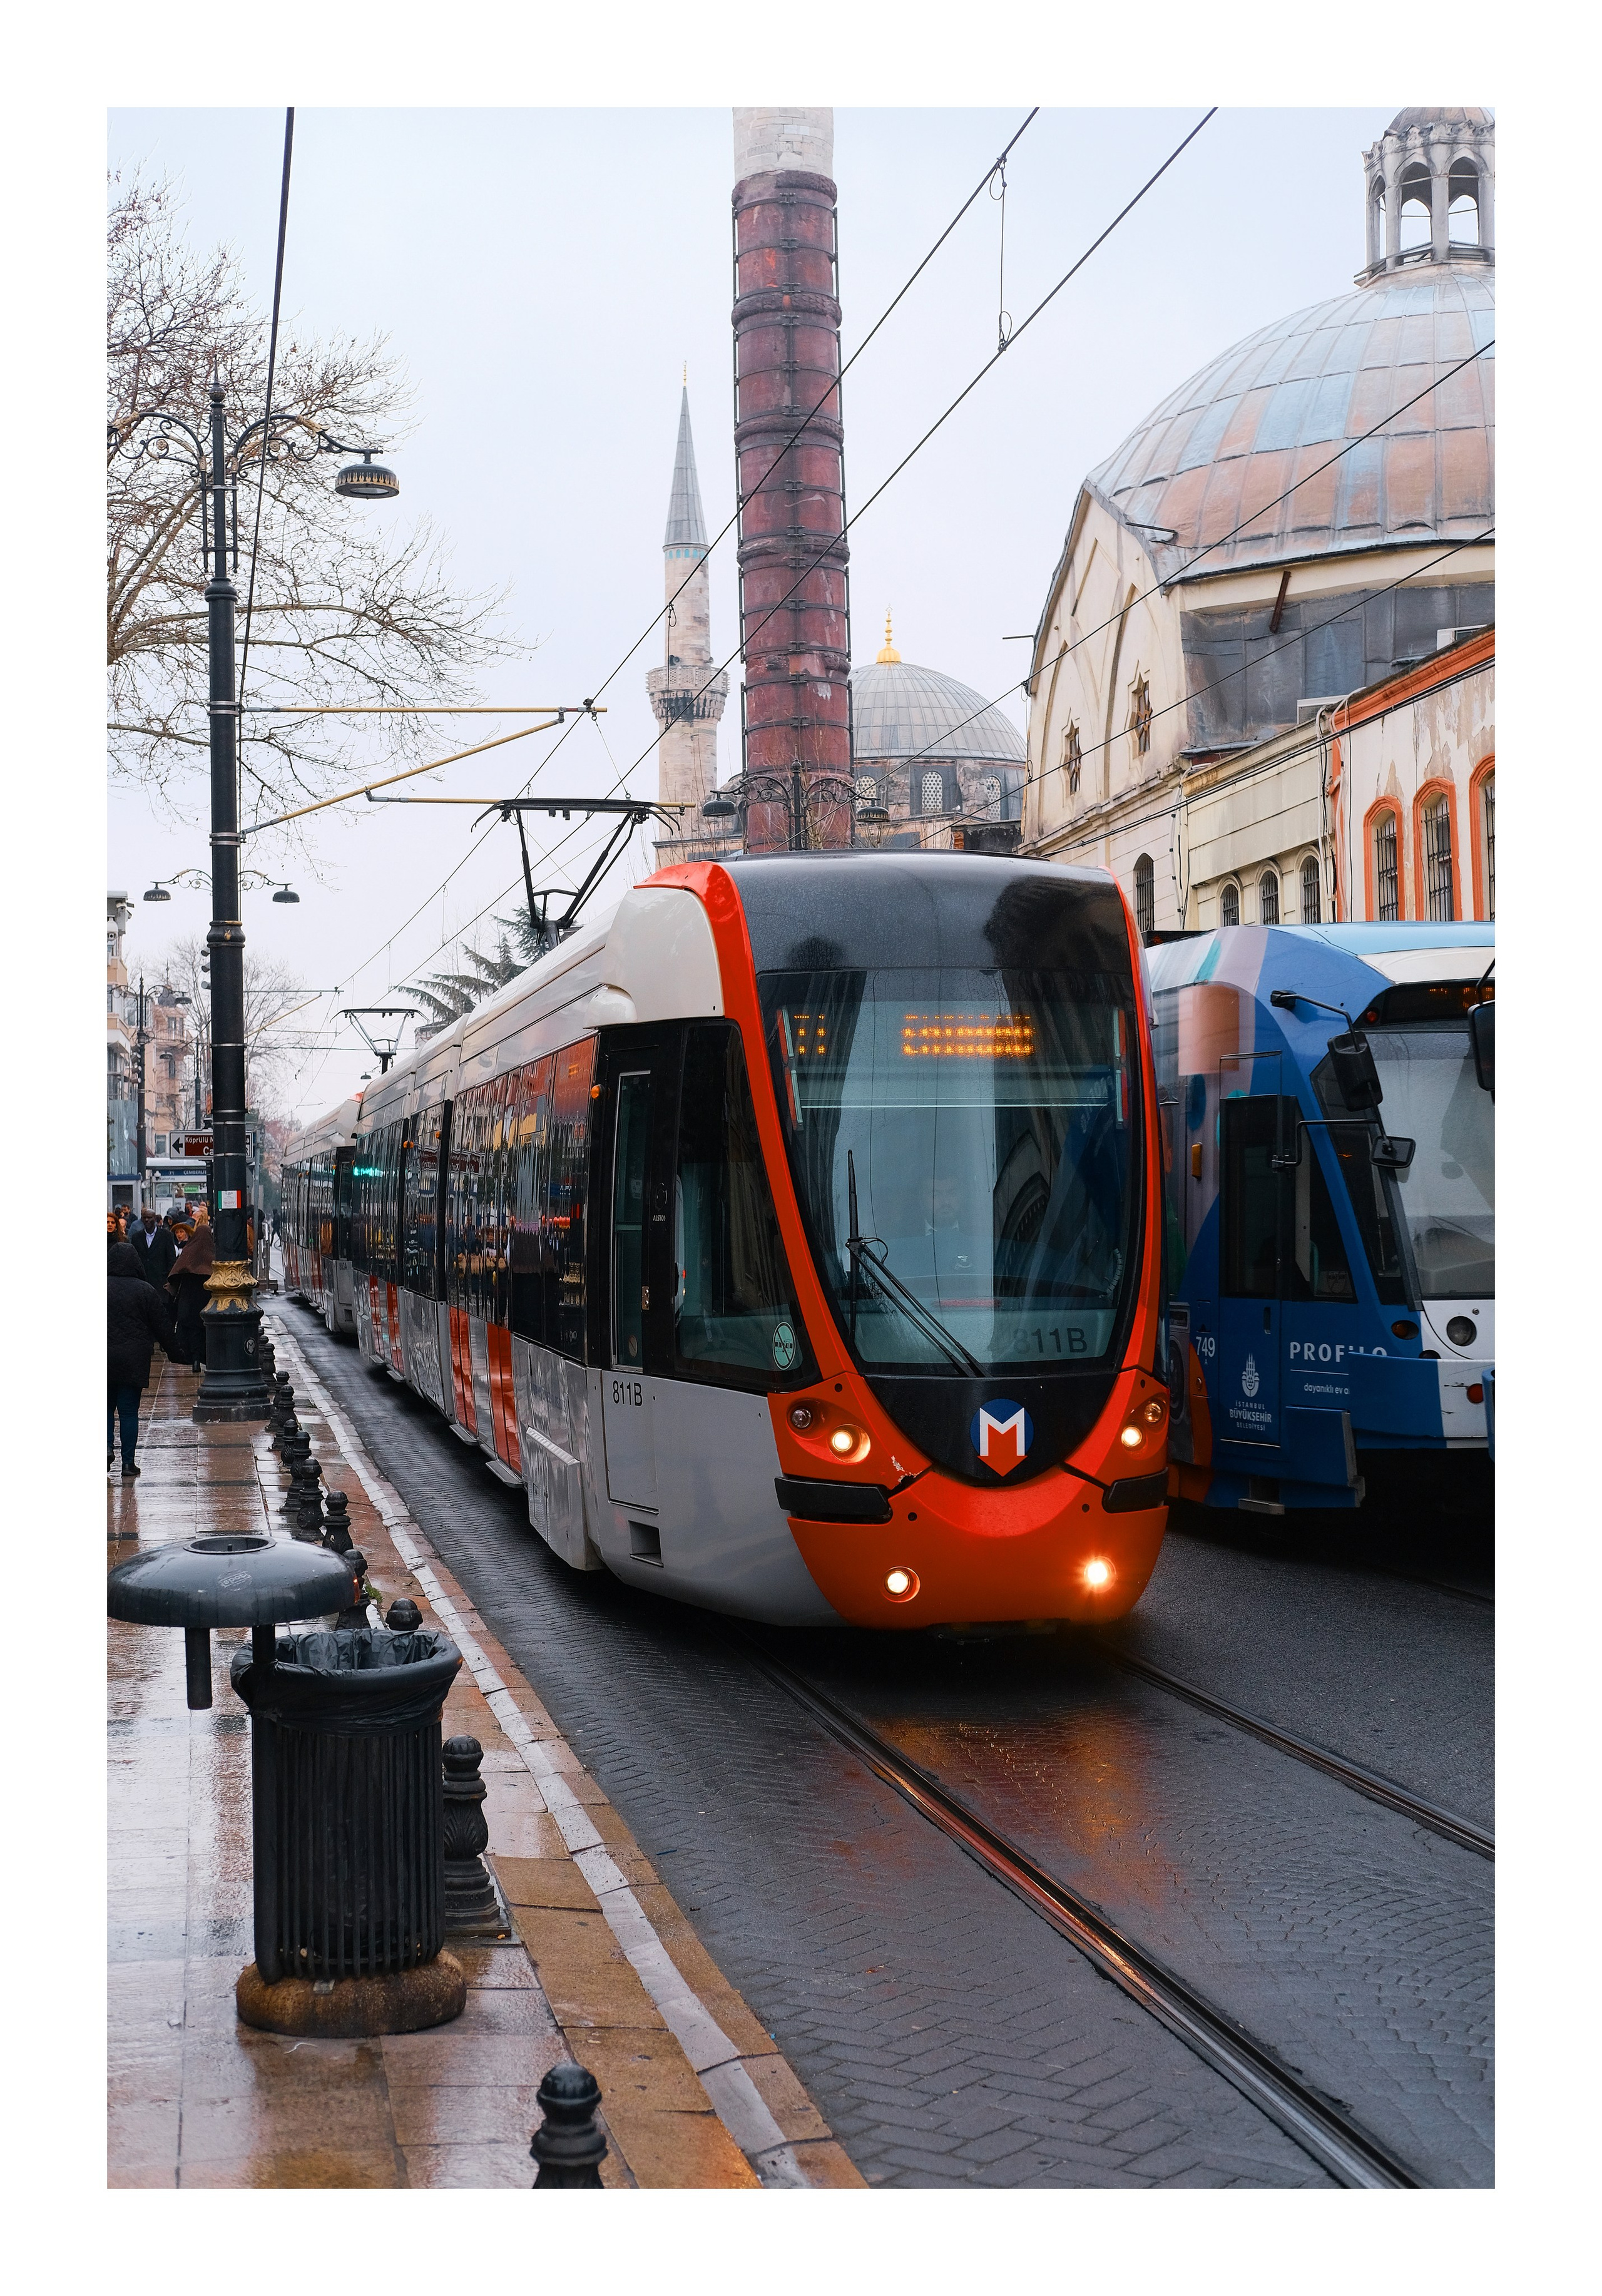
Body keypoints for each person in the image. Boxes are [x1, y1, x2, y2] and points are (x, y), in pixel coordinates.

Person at [108, 1240, 180, 1477]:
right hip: (133, 1360)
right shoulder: (146, 1290)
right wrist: (176, 1353)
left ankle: (106, 1448)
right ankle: (128, 1464)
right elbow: (163, 1327)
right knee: (129, 1412)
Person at [166, 1217, 215, 1372]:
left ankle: (194, 1360)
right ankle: (204, 1358)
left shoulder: (189, 1250)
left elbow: (176, 1272)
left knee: (193, 1331)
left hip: (188, 1301)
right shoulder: (213, 1253)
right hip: (207, 1299)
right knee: (204, 1330)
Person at [129, 1202, 177, 1287]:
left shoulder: (166, 1236)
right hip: (142, 1281)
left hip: (160, 1281)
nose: (147, 1220)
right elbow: (134, 1258)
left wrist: (169, 1279)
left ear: (155, 1219)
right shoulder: (137, 1237)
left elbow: (171, 1259)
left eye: (149, 1218)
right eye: (145, 1218)